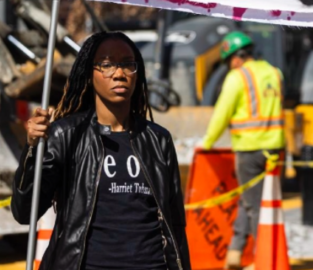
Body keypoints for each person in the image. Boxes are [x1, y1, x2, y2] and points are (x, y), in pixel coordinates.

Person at [12, 32, 189, 270]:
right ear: (89, 74)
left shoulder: (158, 140)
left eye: (128, 64)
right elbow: (24, 212)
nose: (119, 74)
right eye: (106, 65)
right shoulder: (66, 135)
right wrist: (32, 149)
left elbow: (175, 225)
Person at [201, 31, 285, 270]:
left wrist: (207, 143)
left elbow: (221, 114)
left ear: (235, 59)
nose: (229, 67)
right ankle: (236, 253)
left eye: (229, 63)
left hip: (249, 150)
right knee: (252, 201)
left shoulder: (237, 77)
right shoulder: (274, 72)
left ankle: (264, 259)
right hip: (275, 148)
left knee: (258, 207)